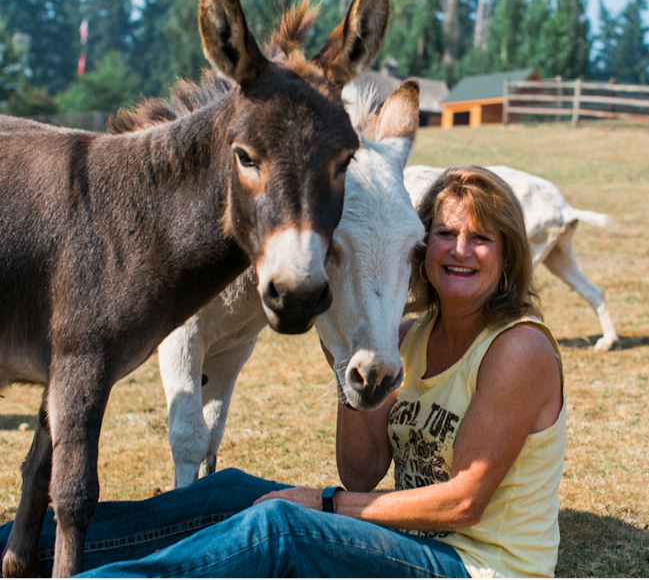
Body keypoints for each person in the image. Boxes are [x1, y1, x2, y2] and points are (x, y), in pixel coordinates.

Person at [0, 166, 565, 579]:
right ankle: (18, 548)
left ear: (508, 253)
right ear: (420, 248)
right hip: (414, 541)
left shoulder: (518, 349)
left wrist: (319, 505)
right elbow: (364, 471)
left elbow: (463, 503)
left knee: (277, 528)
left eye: (481, 238)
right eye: (445, 233)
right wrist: (349, 359)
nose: (459, 249)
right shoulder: (411, 340)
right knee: (229, 491)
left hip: (476, 567)